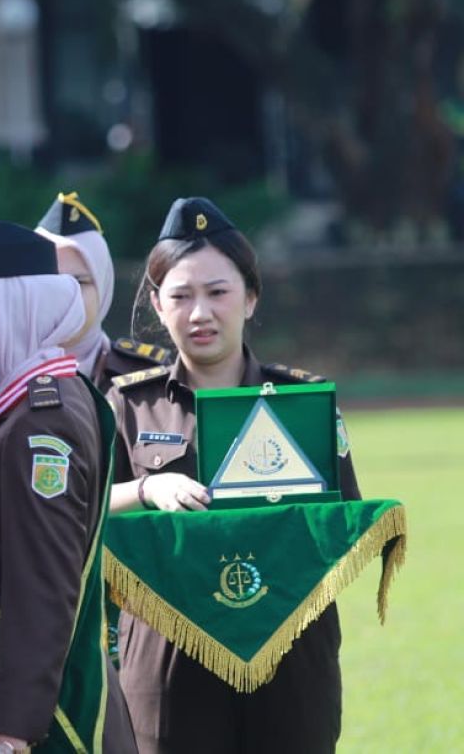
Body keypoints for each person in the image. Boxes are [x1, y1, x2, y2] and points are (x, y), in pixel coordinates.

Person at [105, 196, 361, 754]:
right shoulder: (128, 406)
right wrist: (147, 489)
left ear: (250, 297)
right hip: (168, 656)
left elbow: (342, 523)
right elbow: (78, 512)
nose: (200, 313)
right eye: (181, 295)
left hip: (289, 650)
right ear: (156, 302)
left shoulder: (301, 403)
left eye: (218, 292)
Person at [0, 221, 137, 754]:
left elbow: (43, 584)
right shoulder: (37, 403)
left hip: (35, 726)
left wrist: (13, 730)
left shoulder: (41, 420)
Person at [34, 191, 172, 391]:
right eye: (50, 283)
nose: (65, 296)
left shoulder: (148, 373)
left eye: (78, 282)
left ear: (103, 288)